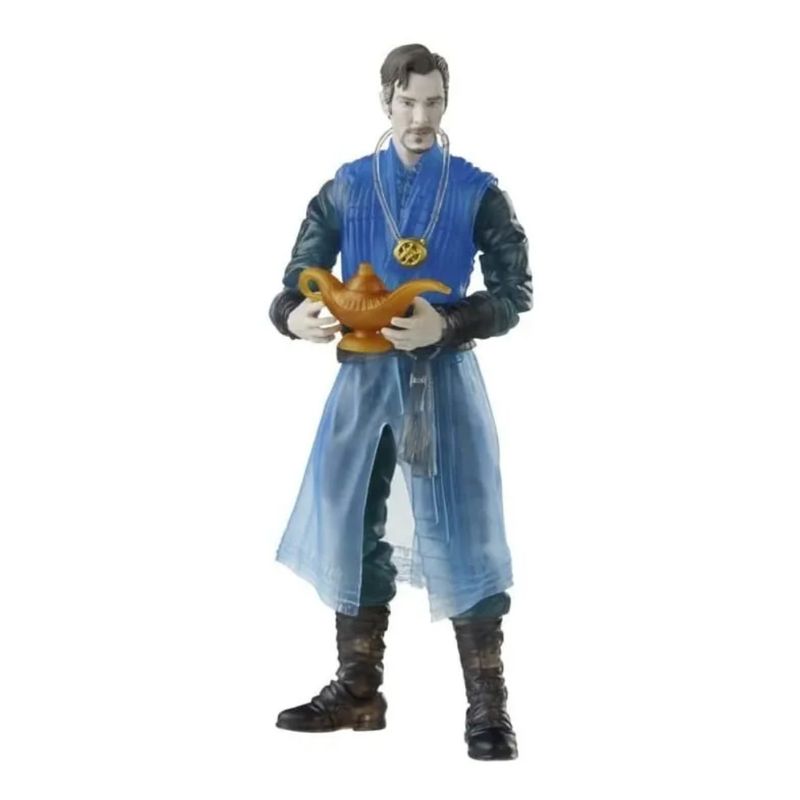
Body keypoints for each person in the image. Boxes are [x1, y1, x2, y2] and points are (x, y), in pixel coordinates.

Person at [269, 44, 532, 760]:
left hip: (443, 384)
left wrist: (450, 323)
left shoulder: (477, 191)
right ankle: (359, 689)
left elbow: (515, 292)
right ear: (386, 100)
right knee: (349, 518)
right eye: (409, 101)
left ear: (446, 103)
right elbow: (298, 276)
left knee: (467, 527)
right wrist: (293, 313)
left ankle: (488, 705)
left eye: (433, 102)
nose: (420, 116)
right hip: (361, 385)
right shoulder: (348, 187)